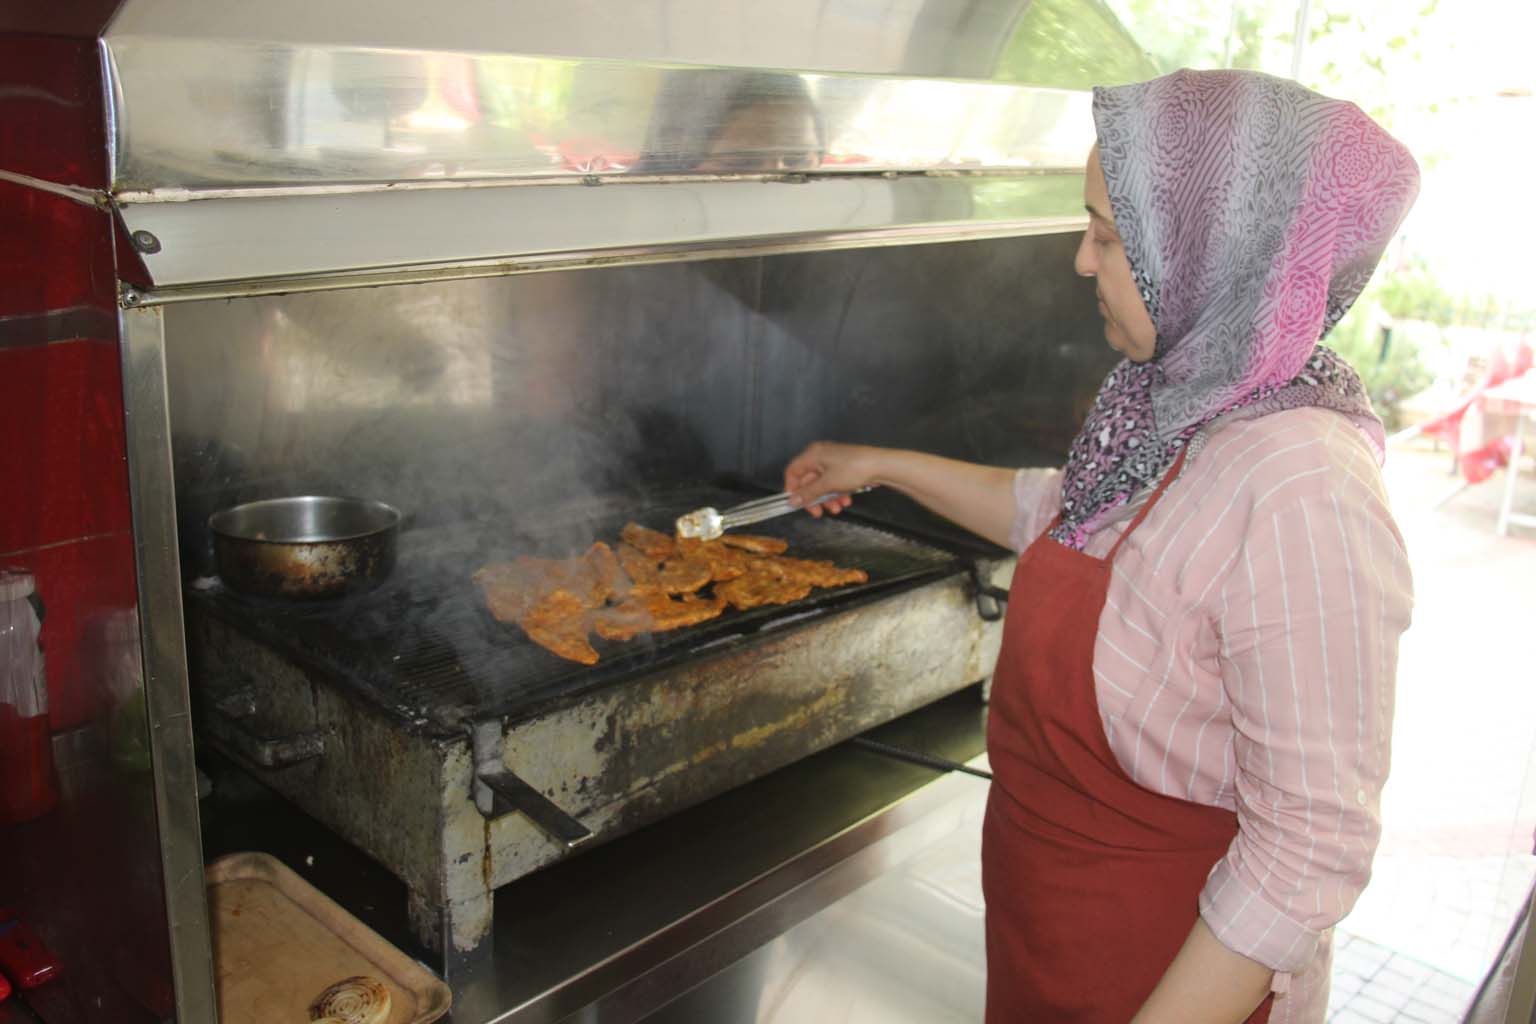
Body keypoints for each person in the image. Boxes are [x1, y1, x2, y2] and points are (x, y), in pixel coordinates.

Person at [783, 69, 1418, 1023]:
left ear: (1210, 254)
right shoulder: (1171, 402)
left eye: (1109, 237)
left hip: (1166, 981)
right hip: (1047, 947)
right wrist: (880, 465)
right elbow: (1062, 516)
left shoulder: (1304, 485)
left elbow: (1307, 853)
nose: (1082, 262)